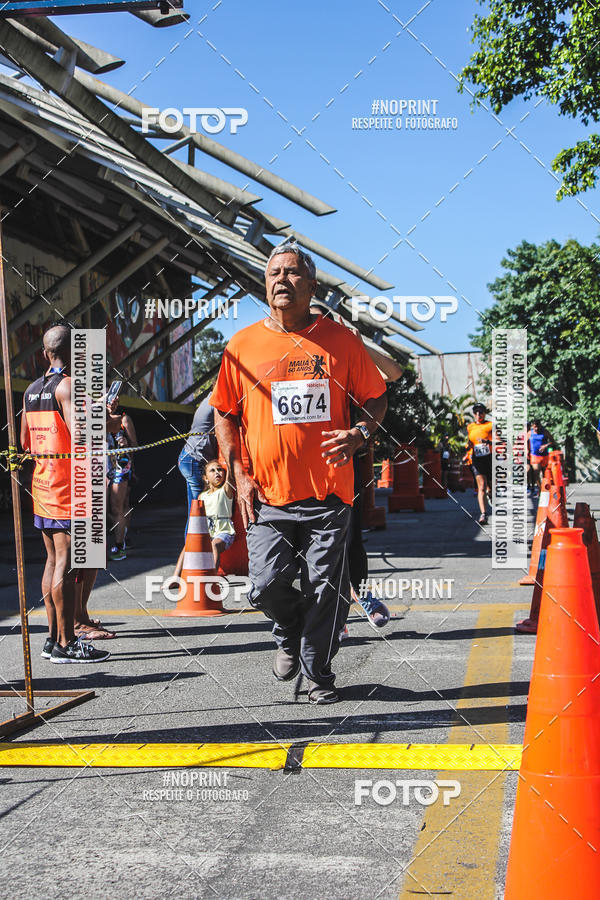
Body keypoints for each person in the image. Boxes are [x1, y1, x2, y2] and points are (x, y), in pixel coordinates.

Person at [212, 240, 387, 704]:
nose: (282, 280)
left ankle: (318, 675)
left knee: (325, 590)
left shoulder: (341, 340)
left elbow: (377, 395)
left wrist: (361, 433)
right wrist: (239, 474)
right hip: (267, 495)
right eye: (274, 273)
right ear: (265, 285)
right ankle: (286, 628)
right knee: (267, 583)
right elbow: (224, 414)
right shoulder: (242, 345)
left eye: (292, 273)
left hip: (330, 494)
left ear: (311, 285)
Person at [20, 324, 113, 663]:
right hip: (67, 489)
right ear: (76, 355)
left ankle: (51, 639)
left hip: (43, 485)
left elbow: (25, 443)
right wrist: (102, 414)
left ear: (46, 354)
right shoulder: (69, 386)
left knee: (52, 561)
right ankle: (67, 643)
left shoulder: (31, 390)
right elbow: (83, 435)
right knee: (67, 563)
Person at [309, 299, 398, 633]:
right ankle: (331, 613)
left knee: (349, 540)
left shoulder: (343, 354)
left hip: (343, 462)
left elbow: (393, 373)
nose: (315, 327)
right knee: (309, 546)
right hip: (296, 468)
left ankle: (360, 599)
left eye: (322, 322)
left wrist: (357, 342)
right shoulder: (286, 352)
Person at [168, 396, 218, 585]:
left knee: (195, 515)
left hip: (188, 458)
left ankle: (182, 571)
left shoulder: (207, 402)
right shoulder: (216, 402)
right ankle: (186, 569)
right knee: (197, 517)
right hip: (195, 460)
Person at [107, 409, 137, 561]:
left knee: (117, 507)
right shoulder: (91, 416)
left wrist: (125, 444)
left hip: (120, 466)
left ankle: (120, 545)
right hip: (97, 465)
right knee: (100, 507)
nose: (112, 402)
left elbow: (135, 445)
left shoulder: (124, 419)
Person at [200, 459, 236, 569]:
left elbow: (230, 474)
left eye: (220, 469)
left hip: (224, 532)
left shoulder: (225, 491)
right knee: (188, 546)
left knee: (214, 545)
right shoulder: (202, 496)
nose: (217, 472)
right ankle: (176, 576)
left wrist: (229, 457)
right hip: (209, 533)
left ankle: (212, 578)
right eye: (212, 470)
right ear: (205, 478)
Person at [463, 403, 493, 525]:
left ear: (484, 413)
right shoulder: (470, 427)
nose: (478, 415)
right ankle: (484, 514)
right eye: (475, 412)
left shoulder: (490, 425)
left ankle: (491, 493)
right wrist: (467, 450)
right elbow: (470, 442)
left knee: (489, 487)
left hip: (489, 458)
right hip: (476, 459)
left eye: (480, 412)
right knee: (481, 487)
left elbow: (501, 440)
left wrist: (488, 442)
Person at [527, 419, 554, 493]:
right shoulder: (529, 433)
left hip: (545, 455)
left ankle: (545, 488)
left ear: (540, 425)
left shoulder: (545, 432)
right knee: (536, 472)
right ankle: (540, 489)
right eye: (535, 427)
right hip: (535, 455)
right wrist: (527, 450)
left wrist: (546, 445)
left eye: (538, 426)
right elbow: (525, 442)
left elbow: (552, 441)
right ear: (532, 426)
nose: (537, 428)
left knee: (545, 474)